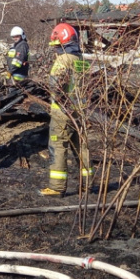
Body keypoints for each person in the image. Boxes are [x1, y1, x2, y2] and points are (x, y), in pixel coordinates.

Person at [40, 23, 92, 196]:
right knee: (81, 148)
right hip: (80, 110)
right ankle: (87, 184)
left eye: (56, 46)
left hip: (63, 111)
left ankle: (56, 187)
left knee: (58, 145)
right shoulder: (81, 60)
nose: (55, 51)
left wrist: (60, 101)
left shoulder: (63, 60)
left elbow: (55, 84)